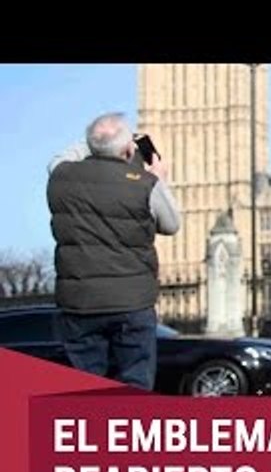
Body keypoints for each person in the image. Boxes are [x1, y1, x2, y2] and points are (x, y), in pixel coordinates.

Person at [47, 111, 181, 391]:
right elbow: (171, 224)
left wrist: (95, 142)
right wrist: (158, 178)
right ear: (128, 149)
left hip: (79, 304)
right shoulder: (145, 183)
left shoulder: (61, 175)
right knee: (134, 386)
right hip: (131, 304)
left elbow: (63, 156)